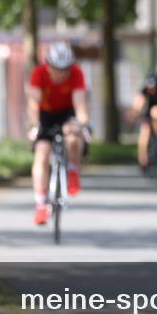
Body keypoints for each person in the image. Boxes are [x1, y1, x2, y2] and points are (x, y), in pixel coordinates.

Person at [27, 42, 91, 225]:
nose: (61, 74)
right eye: (57, 69)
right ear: (48, 66)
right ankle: (40, 205)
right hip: (45, 114)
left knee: (73, 136)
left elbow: (80, 104)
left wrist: (82, 123)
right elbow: (33, 104)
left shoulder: (77, 73)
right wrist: (35, 125)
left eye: (65, 70)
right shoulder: (38, 73)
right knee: (42, 154)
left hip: (67, 112)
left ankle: (72, 170)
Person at [132, 73, 157, 169]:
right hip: (148, 115)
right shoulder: (144, 91)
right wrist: (135, 112)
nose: (151, 90)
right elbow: (138, 104)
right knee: (144, 131)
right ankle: (143, 157)